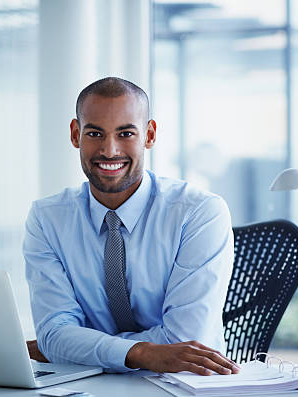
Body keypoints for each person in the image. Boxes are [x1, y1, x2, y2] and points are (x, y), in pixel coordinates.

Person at [22, 77, 239, 375]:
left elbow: (184, 341)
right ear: (76, 134)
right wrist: (140, 352)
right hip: (87, 390)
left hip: (184, 388)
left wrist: (75, 347)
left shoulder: (199, 212)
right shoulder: (47, 219)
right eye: (95, 133)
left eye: (125, 133)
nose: (110, 150)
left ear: (149, 135)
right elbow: (55, 336)